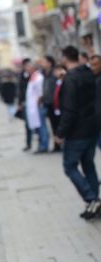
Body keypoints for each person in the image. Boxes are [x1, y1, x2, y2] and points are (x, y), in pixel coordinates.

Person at [54, 46, 100, 219]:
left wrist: (60, 133)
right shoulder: (87, 72)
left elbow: (69, 109)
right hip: (91, 126)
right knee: (88, 164)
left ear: (65, 58)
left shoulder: (71, 79)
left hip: (77, 130)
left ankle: (91, 198)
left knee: (70, 166)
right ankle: (94, 204)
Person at [25, 60, 49, 153]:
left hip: (38, 106)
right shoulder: (32, 77)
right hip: (33, 107)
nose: (26, 70)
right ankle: (41, 144)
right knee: (38, 127)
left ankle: (44, 145)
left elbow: (40, 93)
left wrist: (37, 104)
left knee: (42, 126)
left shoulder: (38, 77)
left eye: (28, 68)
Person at [41, 56, 60, 151]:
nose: (42, 63)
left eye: (44, 61)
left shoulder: (55, 72)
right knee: (53, 125)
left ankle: (60, 143)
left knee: (58, 124)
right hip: (48, 103)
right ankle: (56, 144)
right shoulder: (44, 73)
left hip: (56, 103)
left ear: (50, 63)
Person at [17, 58, 33, 151]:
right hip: (26, 102)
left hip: (35, 102)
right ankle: (28, 143)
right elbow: (20, 90)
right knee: (27, 124)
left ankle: (41, 143)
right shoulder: (22, 76)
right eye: (27, 66)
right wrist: (19, 103)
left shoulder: (35, 74)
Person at [90, 54, 101, 150]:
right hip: (96, 120)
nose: (93, 67)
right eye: (92, 65)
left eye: (96, 64)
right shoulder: (91, 78)